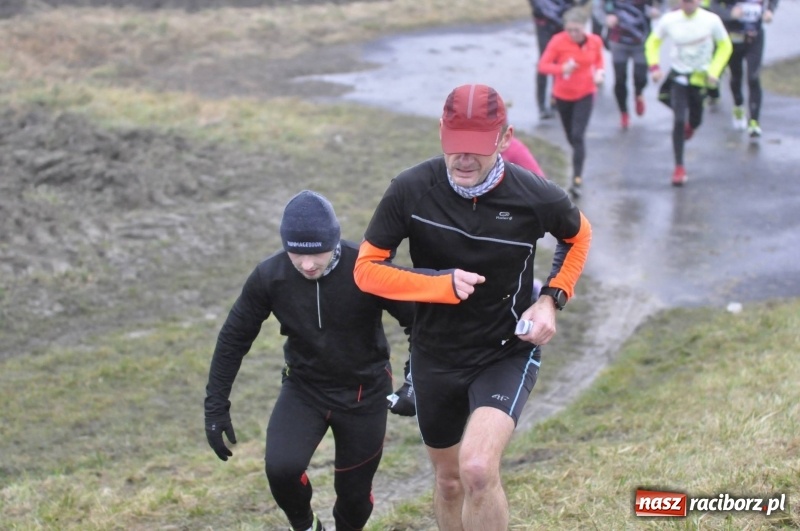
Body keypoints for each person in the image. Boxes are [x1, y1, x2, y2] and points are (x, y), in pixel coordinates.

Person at [353, 83, 592, 530]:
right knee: (449, 482)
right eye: (455, 144)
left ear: (505, 138)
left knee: (478, 469)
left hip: (504, 350)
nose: (463, 158)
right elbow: (366, 270)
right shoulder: (410, 189)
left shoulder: (535, 196)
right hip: (435, 354)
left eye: (478, 146)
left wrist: (550, 300)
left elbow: (578, 236)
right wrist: (438, 284)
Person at [204, 190, 416, 531]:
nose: (307, 264)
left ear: (334, 241)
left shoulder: (365, 268)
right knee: (281, 470)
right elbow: (233, 339)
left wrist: (414, 380)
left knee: (354, 496)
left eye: (317, 252)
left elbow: (418, 322)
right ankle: (305, 526)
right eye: (297, 254)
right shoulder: (270, 276)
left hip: (364, 394)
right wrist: (215, 407)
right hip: (305, 390)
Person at [645, 0, 732, 186]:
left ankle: (691, 125)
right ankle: (679, 167)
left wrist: (714, 71)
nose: (688, 4)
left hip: (701, 78)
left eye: (691, 1)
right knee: (678, 120)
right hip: (679, 76)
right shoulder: (670, 19)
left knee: (696, 119)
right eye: (685, 1)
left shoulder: (711, 20)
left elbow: (725, 45)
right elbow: (653, 42)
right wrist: (654, 67)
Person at [537, 7, 606, 198]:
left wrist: (600, 73)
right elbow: (543, 66)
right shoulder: (558, 41)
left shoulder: (595, 41)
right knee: (571, 137)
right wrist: (562, 69)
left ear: (585, 27)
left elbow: (599, 60)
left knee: (577, 136)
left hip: (586, 93)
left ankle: (577, 179)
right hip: (563, 95)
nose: (573, 34)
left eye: (577, 30)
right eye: (569, 30)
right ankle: (578, 158)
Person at [706, 0, 778, 138]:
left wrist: (770, 11)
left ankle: (754, 122)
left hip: (755, 37)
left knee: (753, 77)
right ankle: (738, 105)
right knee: (736, 76)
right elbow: (713, 5)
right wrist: (729, 14)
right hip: (734, 37)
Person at [604, 0, 665, 129]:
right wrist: (607, 17)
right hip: (618, 41)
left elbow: (662, 4)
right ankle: (624, 112)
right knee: (620, 79)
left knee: (640, 77)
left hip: (641, 41)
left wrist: (658, 11)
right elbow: (599, 6)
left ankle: (638, 93)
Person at [528, 0, 591, 120]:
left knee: (561, 61)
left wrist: (577, 5)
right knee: (544, 62)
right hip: (544, 23)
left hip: (563, 22)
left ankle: (555, 101)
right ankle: (541, 106)